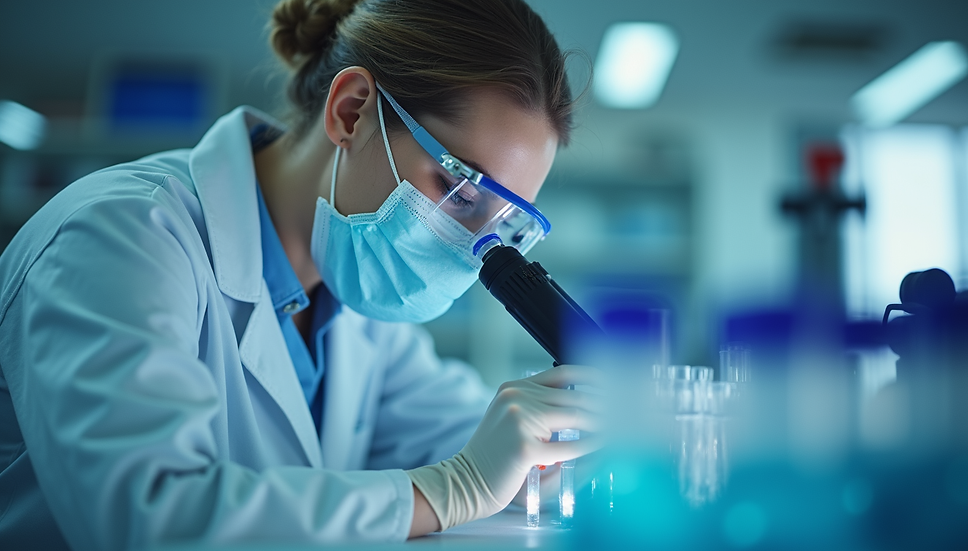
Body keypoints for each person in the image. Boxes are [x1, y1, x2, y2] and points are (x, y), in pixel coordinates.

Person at [0, 0, 601, 548]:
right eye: (460, 191)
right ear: (351, 112)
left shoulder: (357, 300)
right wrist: (454, 488)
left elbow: (464, 437)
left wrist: (563, 443)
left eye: (503, 220)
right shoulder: (119, 235)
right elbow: (150, 518)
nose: (475, 245)